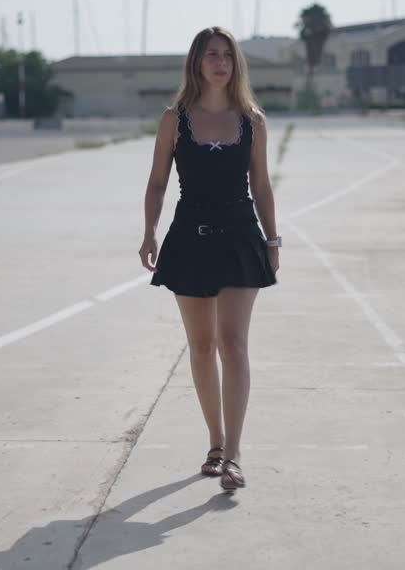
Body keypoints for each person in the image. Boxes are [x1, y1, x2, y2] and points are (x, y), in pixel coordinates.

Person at [139, 26, 280, 492]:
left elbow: (261, 185)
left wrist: (273, 241)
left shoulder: (252, 120)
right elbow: (158, 181)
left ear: (235, 63)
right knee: (201, 346)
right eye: (210, 55)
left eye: (226, 55)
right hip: (189, 236)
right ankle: (216, 443)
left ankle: (235, 455)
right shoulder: (173, 118)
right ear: (197, 63)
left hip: (241, 235)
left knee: (233, 344)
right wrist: (149, 232)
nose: (219, 62)